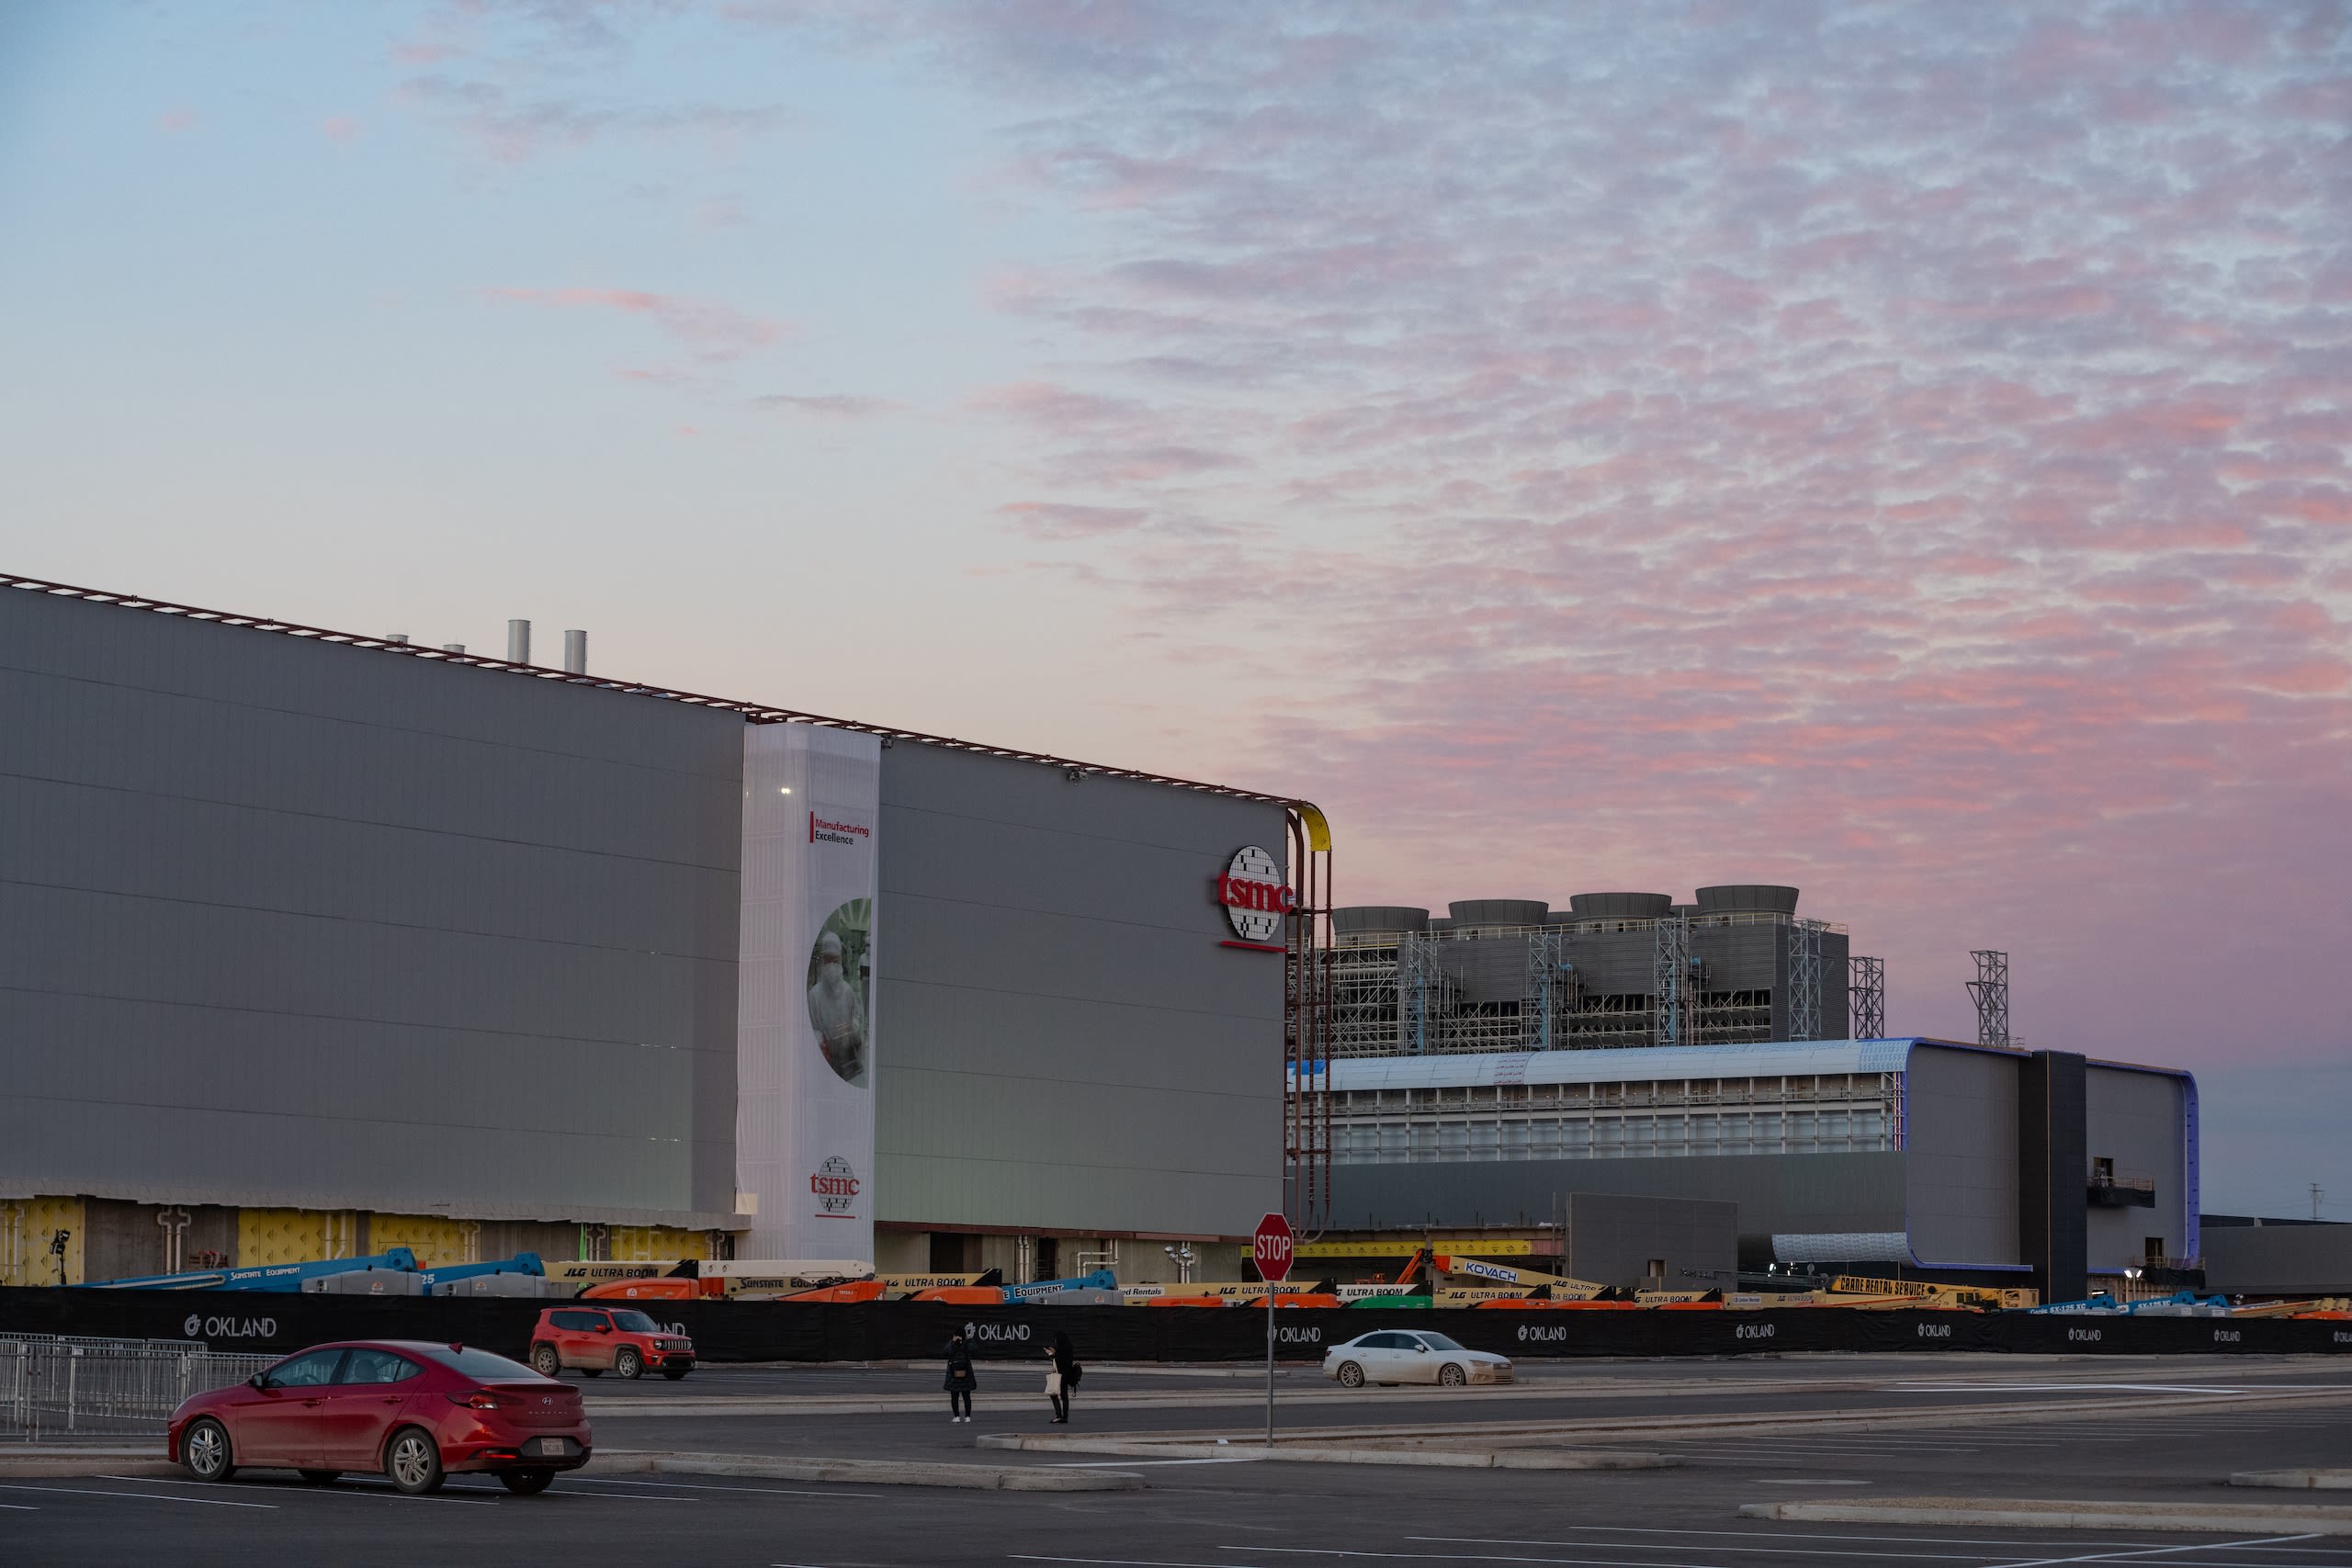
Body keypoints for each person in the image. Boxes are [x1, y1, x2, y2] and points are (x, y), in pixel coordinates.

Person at [807, 930, 866, 1082]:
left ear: (840, 960)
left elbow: (857, 1017)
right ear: (822, 961)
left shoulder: (848, 991)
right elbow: (811, 1028)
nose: (831, 966)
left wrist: (849, 1027)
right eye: (828, 960)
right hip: (824, 1062)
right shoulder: (814, 995)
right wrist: (821, 1042)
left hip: (847, 1063)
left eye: (835, 960)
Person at [1046, 1330, 1080, 1424]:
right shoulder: (1069, 1347)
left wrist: (1051, 1353)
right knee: (1064, 1396)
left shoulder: (1060, 1348)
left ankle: (1058, 1415)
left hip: (1059, 1374)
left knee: (1053, 1394)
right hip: (1068, 1374)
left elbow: (1056, 1360)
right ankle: (1065, 1416)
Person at [944, 1331, 977, 1424]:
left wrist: (952, 1341)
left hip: (953, 1375)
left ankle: (957, 1416)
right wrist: (969, 1339)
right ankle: (967, 1417)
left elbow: (945, 1350)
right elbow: (975, 1348)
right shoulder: (967, 1346)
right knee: (967, 1397)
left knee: (954, 1397)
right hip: (966, 1374)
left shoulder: (952, 1346)